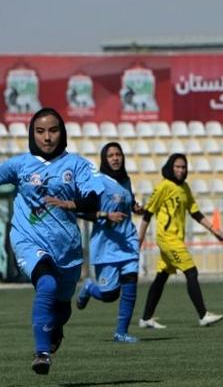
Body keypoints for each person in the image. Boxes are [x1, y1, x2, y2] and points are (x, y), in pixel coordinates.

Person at [0, 108, 103, 375]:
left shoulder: (78, 165)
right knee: (46, 283)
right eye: (40, 131)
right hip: (27, 239)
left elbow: (94, 198)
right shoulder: (20, 164)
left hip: (67, 249)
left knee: (62, 308)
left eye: (53, 130)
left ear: (62, 132)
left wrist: (72, 202)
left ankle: (55, 329)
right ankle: (41, 353)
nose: (47, 137)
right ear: (32, 133)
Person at [137, 153, 223, 329]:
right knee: (191, 271)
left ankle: (146, 318)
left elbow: (195, 212)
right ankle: (203, 315)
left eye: (183, 167)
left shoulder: (184, 188)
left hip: (176, 239)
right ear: (170, 167)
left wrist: (214, 230)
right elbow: (148, 213)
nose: (180, 170)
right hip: (167, 238)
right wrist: (140, 238)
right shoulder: (164, 186)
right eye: (177, 166)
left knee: (161, 276)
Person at [76, 142, 142, 343]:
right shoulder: (97, 182)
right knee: (109, 295)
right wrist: (106, 215)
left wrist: (136, 208)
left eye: (118, 154)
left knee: (131, 283)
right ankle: (89, 287)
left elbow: (126, 203)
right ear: (104, 159)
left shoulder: (126, 180)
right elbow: (79, 210)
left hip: (128, 242)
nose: (115, 158)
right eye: (111, 155)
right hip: (106, 246)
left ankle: (121, 333)